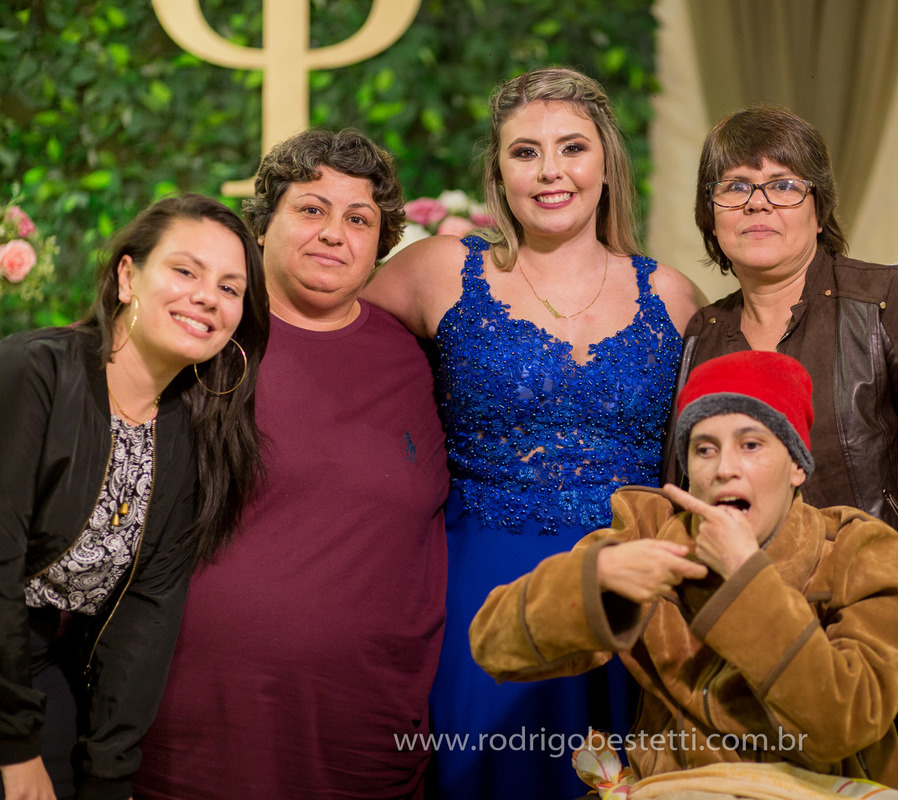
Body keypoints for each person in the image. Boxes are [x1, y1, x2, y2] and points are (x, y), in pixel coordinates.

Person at [363, 67, 705, 798]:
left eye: (572, 148)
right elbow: (322, 339)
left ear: (607, 164)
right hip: (484, 587)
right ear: (498, 174)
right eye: (526, 152)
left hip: (631, 596)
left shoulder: (671, 295)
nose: (551, 171)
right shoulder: (440, 272)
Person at [134, 129, 449, 799]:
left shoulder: (420, 357)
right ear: (264, 225)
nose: (335, 233)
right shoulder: (204, 338)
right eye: (311, 209)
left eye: (359, 218)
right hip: (199, 733)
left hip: (366, 734)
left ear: (382, 243)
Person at [470, 351, 898, 791]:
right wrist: (595, 578)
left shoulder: (859, 551)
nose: (725, 469)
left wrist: (746, 578)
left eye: (751, 445)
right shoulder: (650, 531)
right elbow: (493, 645)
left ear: (796, 467)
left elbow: (845, 723)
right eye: (704, 449)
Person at [664, 105, 898, 631]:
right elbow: (686, 487)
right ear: (711, 214)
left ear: (820, 209)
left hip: (872, 615)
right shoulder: (704, 333)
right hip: (739, 617)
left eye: (782, 186)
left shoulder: (886, 300)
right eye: (735, 187)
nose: (757, 205)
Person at [0, 193, 269, 800]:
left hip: (37, 658)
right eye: (185, 270)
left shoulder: (192, 430)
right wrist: (13, 749)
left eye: (231, 288)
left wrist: (111, 773)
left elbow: (148, 614)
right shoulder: (33, 373)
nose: (208, 297)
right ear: (128, 276)